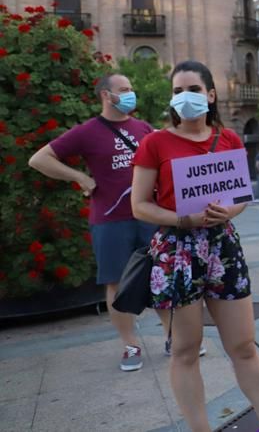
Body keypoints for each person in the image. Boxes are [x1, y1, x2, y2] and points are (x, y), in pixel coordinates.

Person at [131, 61, 259, 432]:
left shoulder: (229, 138)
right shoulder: (155, 143)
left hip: (222, 248)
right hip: (177, 252)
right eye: (178, 91)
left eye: (194, 90)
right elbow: (139, 205)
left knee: (244, 345)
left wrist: (227, 210)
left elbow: (242, 194)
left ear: (211, 95)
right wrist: (183, 219)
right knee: (185, 350)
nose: (186, 97)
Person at [28, 73, 162, 372]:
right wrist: (79, 177)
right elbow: (39, 159)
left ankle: (173, 336)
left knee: (160, 276)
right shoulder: (87, 131)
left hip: (148, 215)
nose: (131, 94)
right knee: (116, 281)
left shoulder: (143, 128)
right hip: (110, 218)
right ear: (106, 95)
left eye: (131, 88)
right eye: (124, 90)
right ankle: (130, 345)